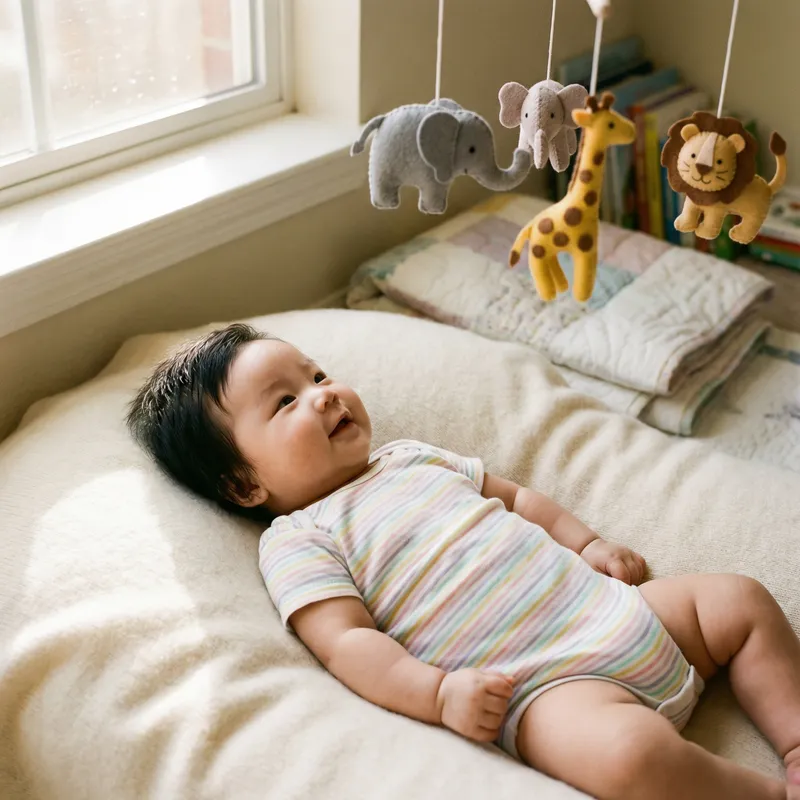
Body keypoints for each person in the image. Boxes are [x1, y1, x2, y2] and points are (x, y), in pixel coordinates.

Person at [128, 323, 800, 800]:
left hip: (617, 609)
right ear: (246, 486)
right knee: (632, 759)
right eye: (286, 402)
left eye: (317, 374)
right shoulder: (300, 539)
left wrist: (588, 544)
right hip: (547, 689)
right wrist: (439, 693)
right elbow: (347, 643)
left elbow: (519, 499)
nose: (324, 393)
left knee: (738, 599)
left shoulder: (412, 456)